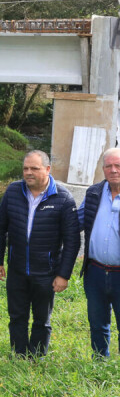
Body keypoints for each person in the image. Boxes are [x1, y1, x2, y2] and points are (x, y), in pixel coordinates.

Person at [0, 150, 80, 358]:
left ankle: (38, 357)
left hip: (46, 271)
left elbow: (72, 241)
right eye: (25, 168)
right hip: (17, 268)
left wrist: (63, 274)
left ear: (48, 170)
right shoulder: (13, 191)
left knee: (42, 319)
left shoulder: (63, 198)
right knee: (17, 316)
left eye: (34, 168)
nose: (28, 173)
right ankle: (19, 355)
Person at [79, 148, 120, 358]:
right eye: (108, 166)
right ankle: (99, 364)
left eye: (118, 166)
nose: (113, 170)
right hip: (95, 271)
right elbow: (76, 220)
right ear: (103, 169)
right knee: (97, 323)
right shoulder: (94, 192)